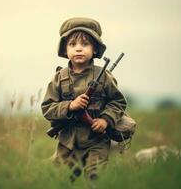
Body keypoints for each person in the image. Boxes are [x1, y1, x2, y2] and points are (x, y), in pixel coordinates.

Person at [41, 17, 127, 181]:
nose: (78, 49)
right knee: (63, 179)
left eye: (85, 44)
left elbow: (118, 102)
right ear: (65, 50)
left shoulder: (104, 76)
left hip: (97, 140)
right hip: (68, 141)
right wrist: (70, 106)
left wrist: (105, 120)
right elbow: (47, 108)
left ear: (95, 49)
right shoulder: (59, 78)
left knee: (94, 178)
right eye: (72, 45)